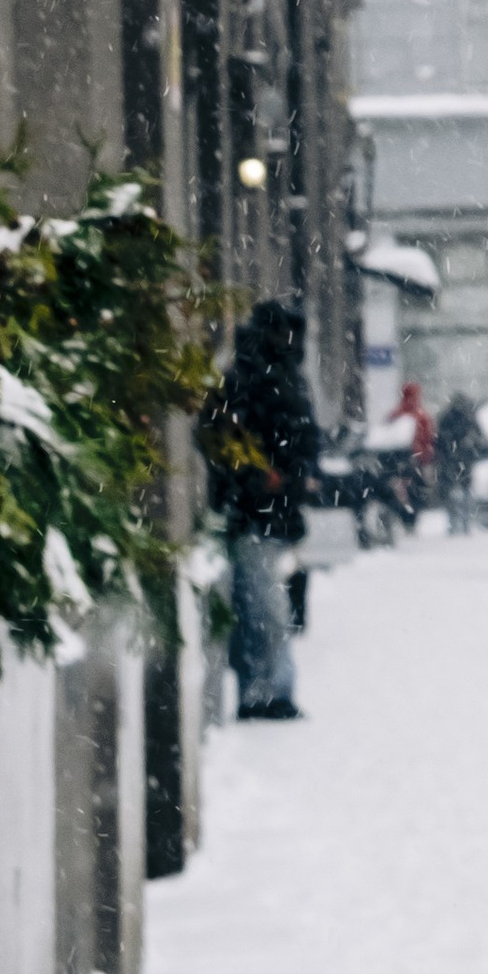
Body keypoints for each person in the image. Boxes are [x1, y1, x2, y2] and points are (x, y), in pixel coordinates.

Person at [197, 301, 324, 722]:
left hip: (260, 508)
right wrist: (262, 475)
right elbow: (224, 435)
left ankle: (263, 689)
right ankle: (266, 690)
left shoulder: (263, 374)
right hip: (258, 508)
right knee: (263, 605)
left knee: (259, 604)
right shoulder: (262, 376)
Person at [432, 387, 488, 532]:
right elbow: (480, 436)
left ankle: (454, 523)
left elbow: (438, 438)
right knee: (465, 491)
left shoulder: (446, 416)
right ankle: (465, 523)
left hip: (450, 459)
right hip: (465, 459)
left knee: (452, 492)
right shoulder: (469, 416)